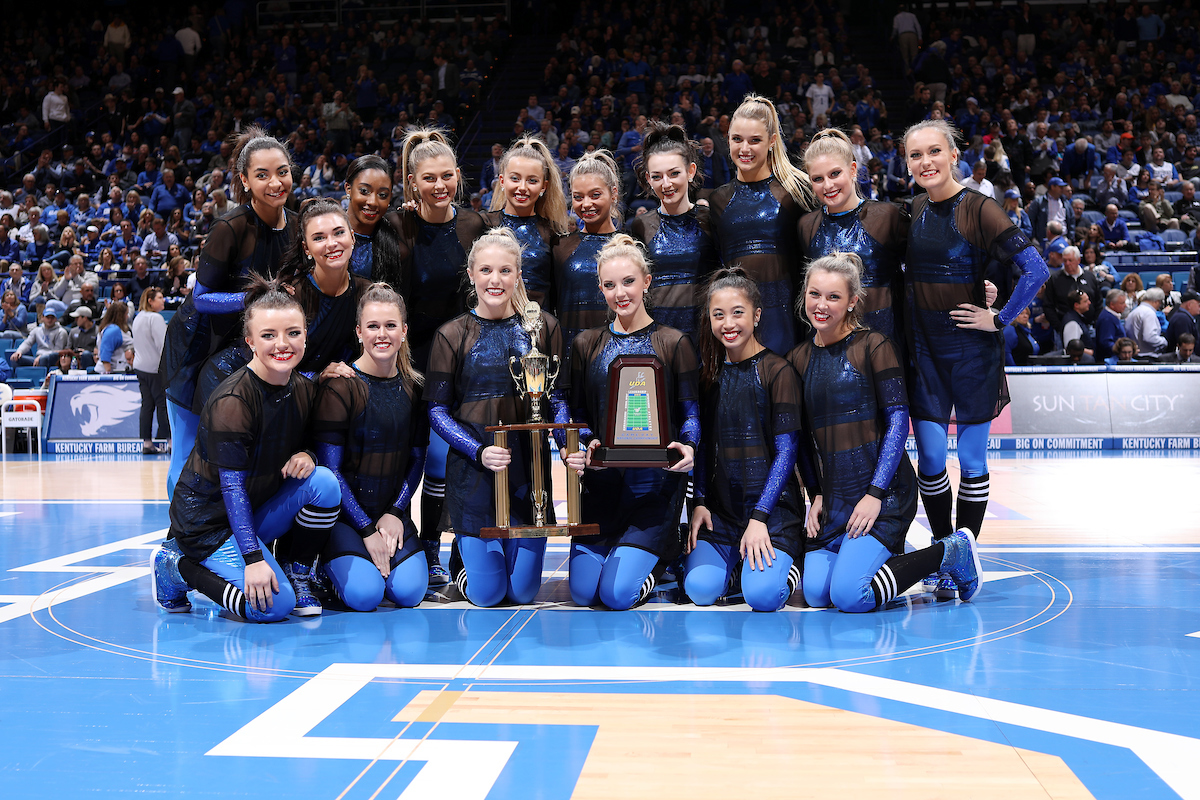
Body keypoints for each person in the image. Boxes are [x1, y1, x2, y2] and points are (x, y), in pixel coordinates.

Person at [903, 120, 1048, 598]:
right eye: (915, 155)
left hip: (970, 351)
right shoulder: (913, 210)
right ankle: (945, 551)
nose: (925, 162)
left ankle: (962, 556)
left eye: (933, 152)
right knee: (928, 458)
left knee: (969, 457)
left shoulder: (980, 209)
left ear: (953, 154)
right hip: (924, 349)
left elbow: (1035, 268)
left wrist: (1000, 318)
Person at [789, 252, 981, 611]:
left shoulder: (874, 346)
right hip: (834, 498)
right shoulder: (797, 359)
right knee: (816, 595)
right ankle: (869, 554)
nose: (822, 305)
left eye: (834, 297)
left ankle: (948, 551)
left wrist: (875, 493)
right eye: (814, 294)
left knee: (851, 596)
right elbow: (800, 438)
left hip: (884, 493)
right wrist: (815, 493)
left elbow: (897, 422)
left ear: (852, 303)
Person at [150, 277, 341, 621]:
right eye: (268, 335)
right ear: (250, 341)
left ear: (305, 336)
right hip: (207, 523)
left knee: (324, 483)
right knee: (270, 608)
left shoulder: (301, 388)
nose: (282, 344)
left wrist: (308, 455)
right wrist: (253, 559)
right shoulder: (233, 400)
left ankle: (296, 573)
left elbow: (308, 441)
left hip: (253, 512)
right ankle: (176, 566)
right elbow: (232, 487)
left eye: (293, 333)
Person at [426, 228, 565, 607]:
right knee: (488, 595)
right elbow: (437, 411)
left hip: (529, 470)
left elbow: (557, 397)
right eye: (486, 270)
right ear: (471, 274)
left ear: (518, 275)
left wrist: (569, 447)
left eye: (505, 271)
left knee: (522, 594)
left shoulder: (542, 328)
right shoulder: (451, 334)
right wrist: (478, 451)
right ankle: (463, 566)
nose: (495, 280)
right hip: (475, 471)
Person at [160, 126, 297, 499]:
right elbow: (202, 297)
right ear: (244, 180)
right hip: (198, 344)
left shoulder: (297, 225)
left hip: (246, 344)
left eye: (282, 171)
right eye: (262, 175)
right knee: (188, 450)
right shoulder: (230, 226)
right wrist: (258, 298)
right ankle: (178, 540)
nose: (275, 182)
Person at [565, 235, 699, 609]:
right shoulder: (585, 344)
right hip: (601, 488)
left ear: (647, 282)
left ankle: (661, 563)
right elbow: (574, 411)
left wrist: (689, 445)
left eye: (628, 282)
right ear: (600, 288)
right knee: (582, 594)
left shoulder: (673, 342)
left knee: (616, 595)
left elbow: (691, 413)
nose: (620, 293)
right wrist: (580, 442)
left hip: (653, 489)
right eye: (609, 285)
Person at [394, 128, 487, 584]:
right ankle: (424, 548)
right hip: (410, 361)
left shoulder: (475, 225)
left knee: (447, 459)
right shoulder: (399, 224)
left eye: (447, 176)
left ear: (457, 176)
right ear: (413, 182)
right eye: (428, 178)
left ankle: (447, 548)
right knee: (422, 458)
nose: (439, 186)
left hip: (462, 359)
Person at [683, 268, 800, 610]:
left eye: (738, 313)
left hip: (772, 511)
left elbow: (786, 451)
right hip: (723, 512)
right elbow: (703, 448)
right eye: (718, 315)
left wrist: (761, 517)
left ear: (757, 315)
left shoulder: (779, 371)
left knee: (763, 597)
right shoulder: (710, 377)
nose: (728, 324)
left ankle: (790, 563)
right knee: (700, 590)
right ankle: (735, 569)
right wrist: (700, 501)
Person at [312, 284, 430, 610]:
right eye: (373, 326)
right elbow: (331, 470)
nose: (382, 334)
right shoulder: (341, 387)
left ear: (404, 331)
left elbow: (417, 457)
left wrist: (395, 513)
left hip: (390, 514)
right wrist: (365, 529)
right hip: (347, 518)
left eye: (391, 326)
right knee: (365, 597)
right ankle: (323, 567)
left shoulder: (414, 389)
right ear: (359, 332)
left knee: (409, 593)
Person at [708, 95, 817, 356]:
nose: (744, 148)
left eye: (754, 140)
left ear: (771, 141)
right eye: (737, 139)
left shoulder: (795, 191)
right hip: (737, 320)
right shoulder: (718, 200)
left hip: (787, 317)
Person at [798, 128, 906, 355]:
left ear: (853, 170)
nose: (827, 185)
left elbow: (922, 269)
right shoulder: (807, 226)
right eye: (818, 179)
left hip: (883, 345)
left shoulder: (887, 216)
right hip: (827, 348)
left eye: (835, 174)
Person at [628, 123, 719, 342]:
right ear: (648, 179)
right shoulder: (641, 225)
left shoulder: (710, 219)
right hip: (657, 338)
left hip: (705, 337)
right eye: (657, 176)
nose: (666, 184)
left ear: (691, 171)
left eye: (674, 173)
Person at [483, 136, 571, 308]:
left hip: (539, 327)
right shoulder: (482, 224)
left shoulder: (553, 232)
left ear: (543, 186)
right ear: (502, 181)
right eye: (515, 178)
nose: (522, 187)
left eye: (532, 181)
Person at [554, 151, 622, 349]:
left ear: (613, 194)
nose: (586, 204)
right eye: (578, 197)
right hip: (570, 353)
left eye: (595, 195)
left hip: (619, 352)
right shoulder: (560, 247)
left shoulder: (629, 245)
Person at [342, 155, 404, 284]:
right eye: (364, 191)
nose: (373, 202)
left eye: (382, 195)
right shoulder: (327, 233)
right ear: (348, 188)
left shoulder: (395, 238)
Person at [132, 287, 170, 454]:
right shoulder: (155, 318)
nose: (163, 300)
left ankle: (147, 443)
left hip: (140, 367)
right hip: (155, 368)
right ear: (150, 301)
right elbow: (163, 346)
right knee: (162, 405)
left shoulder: (138, 317)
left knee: (147, 405)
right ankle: (170, 443)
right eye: (160, 297)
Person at [9, 299, 69, 366]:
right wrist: (19, 351)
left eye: (52, 317)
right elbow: (28, 343)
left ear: (56, 319)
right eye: (47, 317)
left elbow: (57, 351)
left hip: (51, 359)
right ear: (42, 318)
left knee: (43, 359)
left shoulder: (61, 332)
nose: (50, 320)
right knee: (15, 358)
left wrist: (41, 357)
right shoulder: (37, 330)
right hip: (37, 358)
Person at [1126, 287, 1168, 354]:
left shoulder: (1134, 311)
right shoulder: (1149, 313)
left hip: (1136, 354)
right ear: (1157, 301)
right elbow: (1149, 337)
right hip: (1147, 356)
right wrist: (1164, 341)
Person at [96, 301, 133, 374]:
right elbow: (105, 353)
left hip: (118, 370)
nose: (127, 316)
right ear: (120, 315)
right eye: (126, 314)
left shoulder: (114, 328)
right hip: (111, 372)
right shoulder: (113, 330)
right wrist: (108, 374)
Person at [1095, 290, 1128, 361]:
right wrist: (1123, 351)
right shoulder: (1107, 319)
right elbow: (1106, 343)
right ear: (1112, 304)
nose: (1125, 305)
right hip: (1110, 361)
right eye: (1122, 303)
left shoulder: (1111, 316)